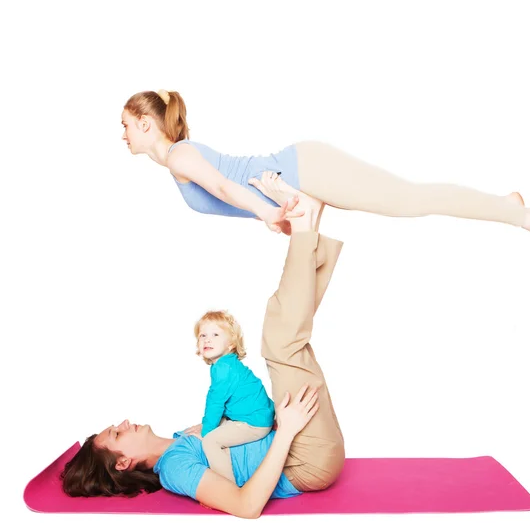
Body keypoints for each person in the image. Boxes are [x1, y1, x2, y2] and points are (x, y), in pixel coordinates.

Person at [61, 187, 346, 518]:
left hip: (302, 443)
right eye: (116, 433)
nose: (124, 422)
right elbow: (247, 506)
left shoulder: (184, 437)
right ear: (122, 462)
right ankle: (305, 227)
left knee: (285, 335)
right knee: (280, 342)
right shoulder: (174, 468)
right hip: (304, 459)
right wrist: (287, 432)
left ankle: (311, 231)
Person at [120, 89, 530, 249]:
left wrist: (266, 213)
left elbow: (223, 185)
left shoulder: (178, 156)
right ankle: (503, 207)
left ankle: (526, 216)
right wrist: (276, 213)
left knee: (410, 201)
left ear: (146, 122)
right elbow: (233, 189)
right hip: (298, 186)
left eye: (126, 125)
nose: (122, 134)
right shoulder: (177, 161)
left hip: (303, 170)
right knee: (409, 201)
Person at [193, 310, 275, 483]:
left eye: (215, 334)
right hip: (259, 415)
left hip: (254, 424)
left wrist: (206, 432)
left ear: (230, 344)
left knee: (210, 442)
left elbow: (214, 403)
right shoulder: (228, 364)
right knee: (220, 422)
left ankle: (226, 486)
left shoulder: (223, 369)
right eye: (202, 335)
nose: (207, 339)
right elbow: (253, 390)